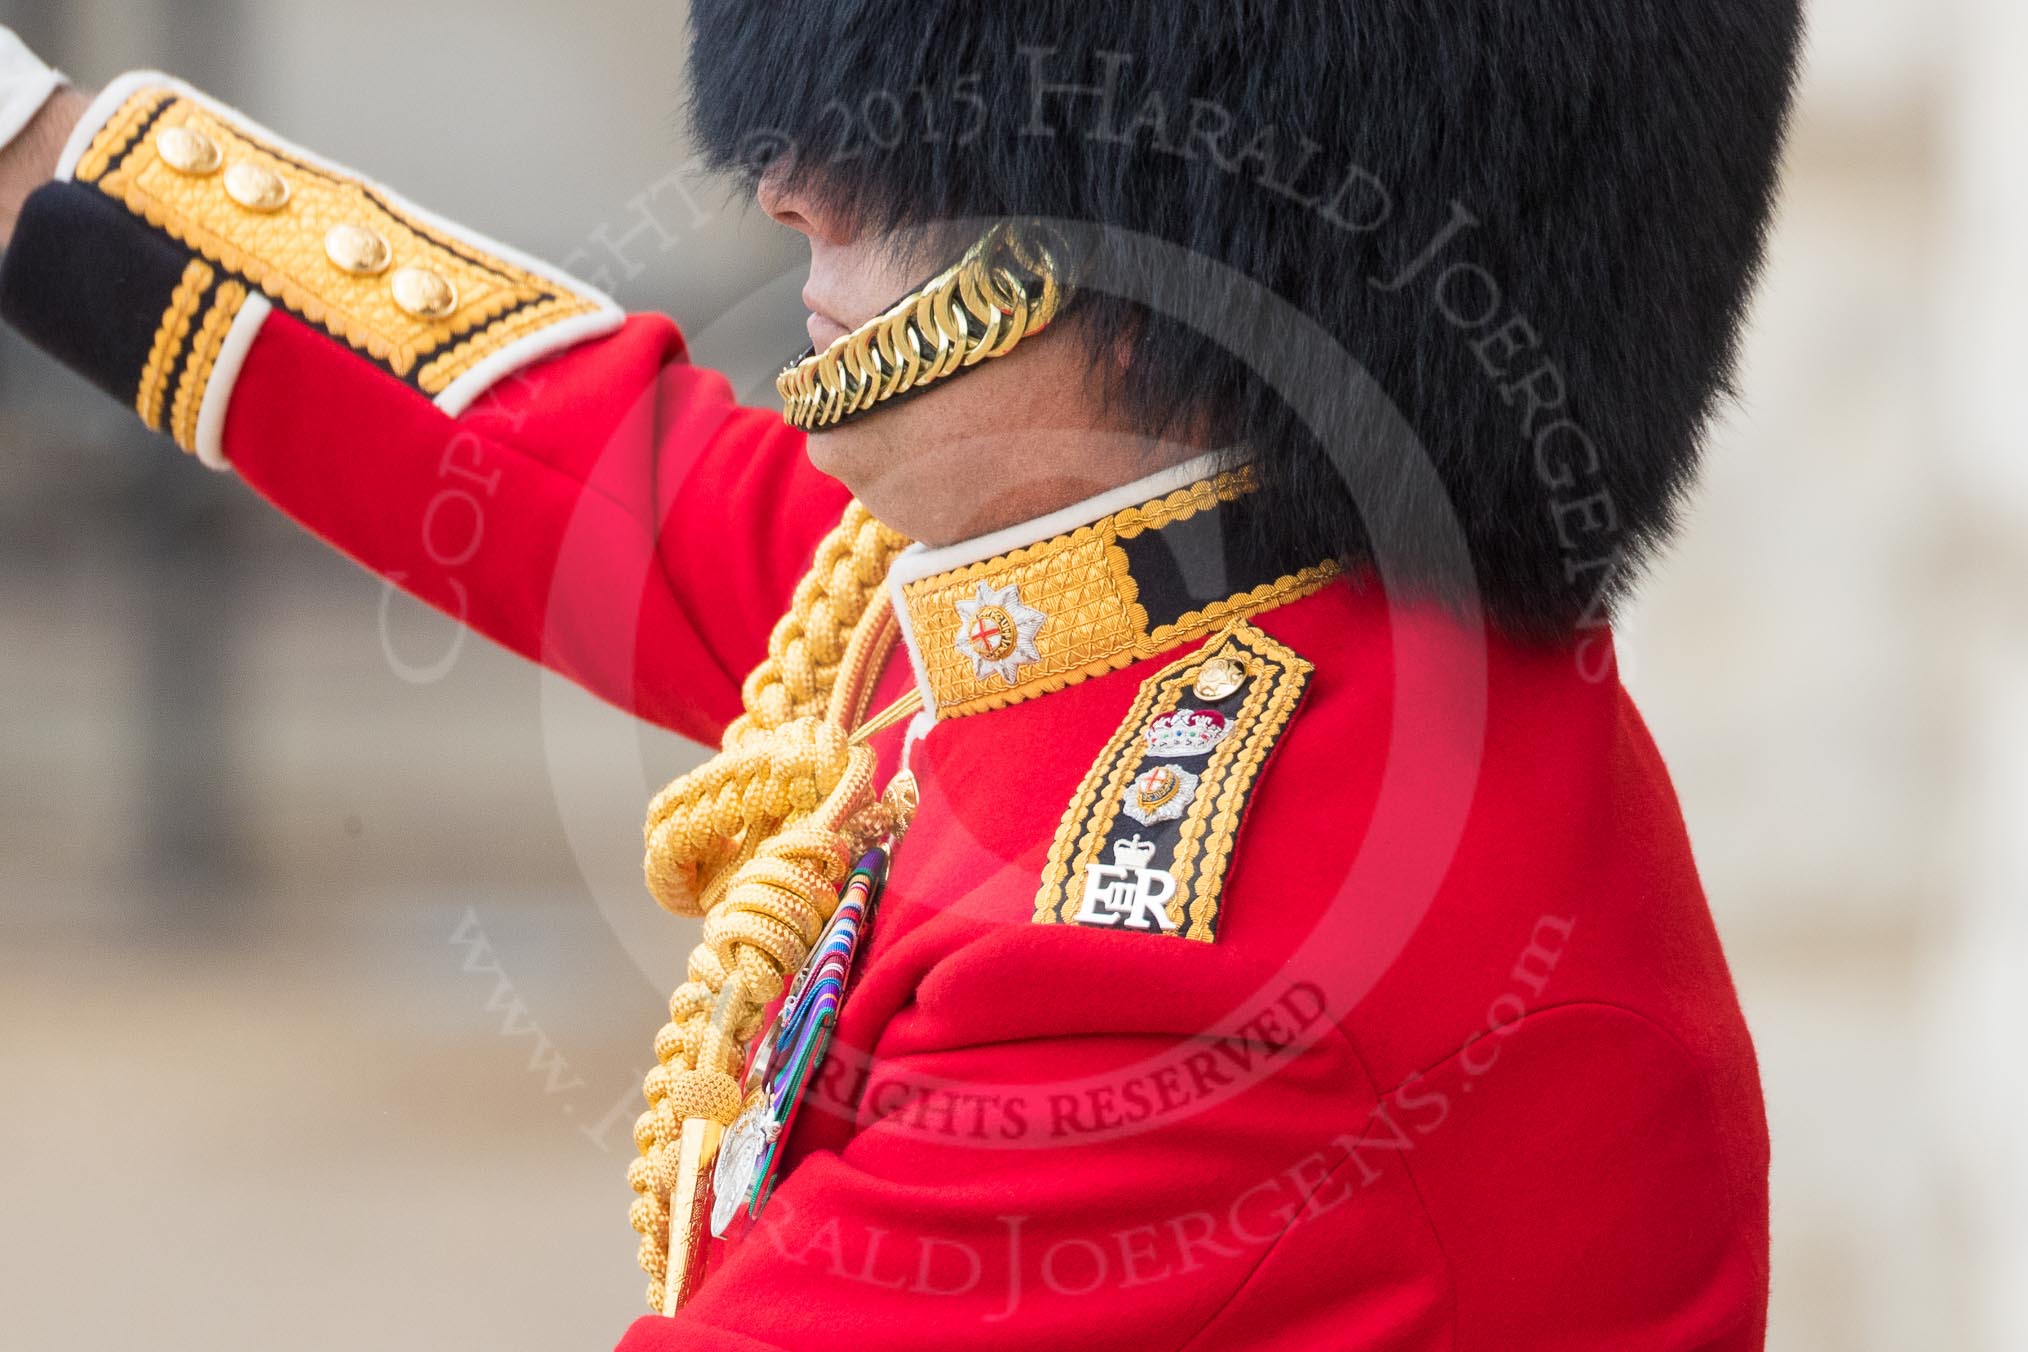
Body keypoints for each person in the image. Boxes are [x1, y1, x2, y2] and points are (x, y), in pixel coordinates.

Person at [0, 4, 1804, 1348]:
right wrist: (27, 155)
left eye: (908, 148)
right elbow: (580, 468)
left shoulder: (1218, 982)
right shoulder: (1143, 573)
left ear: (1166, 228)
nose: (784, 188)